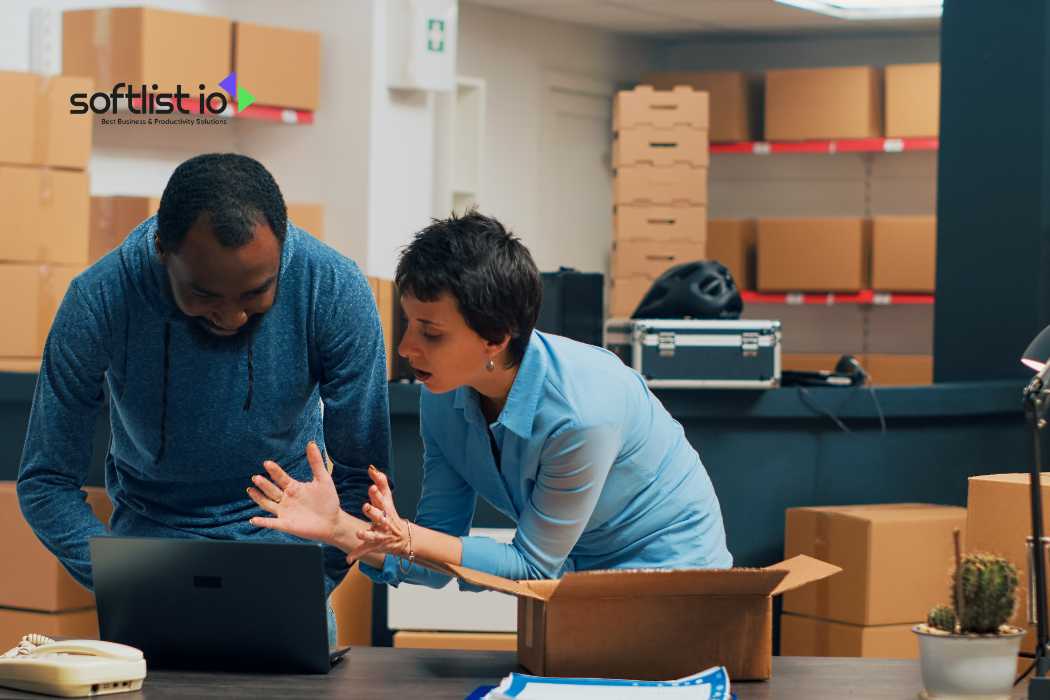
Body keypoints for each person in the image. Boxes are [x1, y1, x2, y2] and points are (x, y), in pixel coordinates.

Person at [247, 210, 731, 588]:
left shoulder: (582, 412)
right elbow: (433, 551)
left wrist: (408, 538)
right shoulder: (443, 396)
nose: (405, 348)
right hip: (581, 579)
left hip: (676, 576)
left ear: (495, 338)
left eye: (430, 333)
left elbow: (530, 567)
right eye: (408, 322)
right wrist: (337, 528)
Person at [17, 154, 391, 638]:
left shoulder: (334, 290)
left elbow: (367, 480)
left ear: (282, 255)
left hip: (285, 557)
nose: (232, 316)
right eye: (205, 294)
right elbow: (45, 479)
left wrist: (312, 579)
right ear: (161, 250)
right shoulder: (100, 299)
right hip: (150, 561)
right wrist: (120, 578)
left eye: (255, 293)